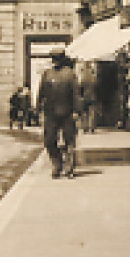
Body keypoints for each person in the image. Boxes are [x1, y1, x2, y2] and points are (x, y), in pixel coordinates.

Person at [36, 49, 84, 179]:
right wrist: (38, 109)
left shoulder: (70, 74)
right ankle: (57, 164)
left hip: (67, 113)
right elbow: (41, 93)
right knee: (49, 141)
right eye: (53, 58)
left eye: (57, 58)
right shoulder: (47, 74)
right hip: (50, 113)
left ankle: (69, 168)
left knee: (69, 141)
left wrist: (76, 111)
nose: (55, 61)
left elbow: (76, 95)